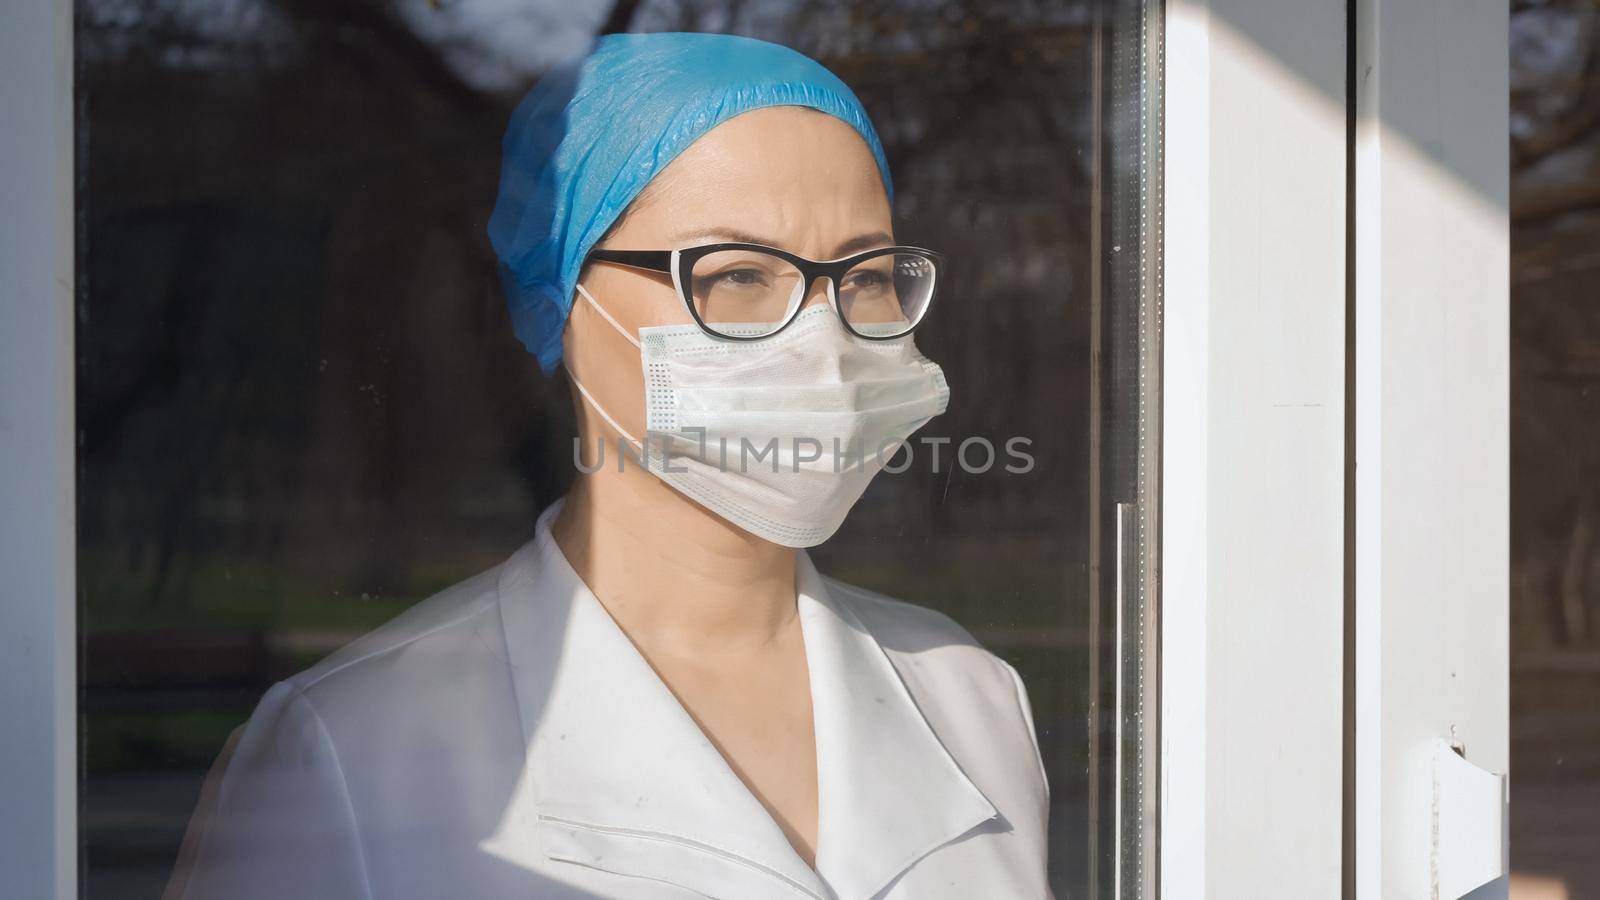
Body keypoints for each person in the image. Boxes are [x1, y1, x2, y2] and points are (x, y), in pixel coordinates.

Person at [165, 31, 1050, 900]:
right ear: (562, 298)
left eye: (863, 274)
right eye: (738, 274)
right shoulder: (352, 751)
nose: (823, 340)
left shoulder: (973, 699)